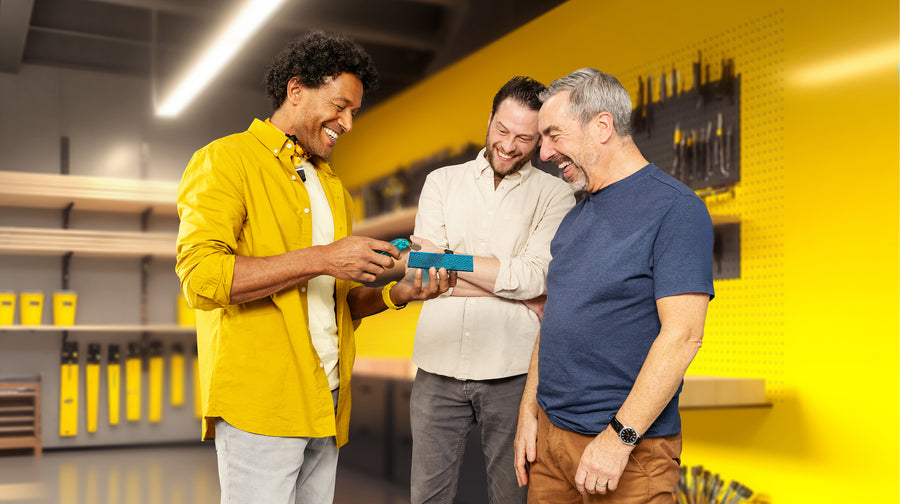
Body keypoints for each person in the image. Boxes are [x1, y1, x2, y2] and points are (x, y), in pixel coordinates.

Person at [175, 31, 452, 504]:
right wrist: (324, 257)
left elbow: (332, 304)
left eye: (354, 113)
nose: (347, 123)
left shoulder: (333, 189)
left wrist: (396, 293)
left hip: (327, 401)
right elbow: (202, 279)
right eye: (340, 106)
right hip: (263, 404)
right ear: (296, 89)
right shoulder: (226, 161)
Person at [513, 68, 715, 503]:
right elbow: (553, 320)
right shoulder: (573, 217)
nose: (544, 152)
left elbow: (683, 336)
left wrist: (619, 438)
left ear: (601, 126)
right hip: (550, 445)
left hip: (625, 451)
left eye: (553, 135)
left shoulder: (677, 209)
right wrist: (529, 412)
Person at [409, 76, 575, 504]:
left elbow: (535, 277)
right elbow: (425, 272)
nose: (509, 145)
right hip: (436, 367)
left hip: (513, 375)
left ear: (540, 139)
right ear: (489, 119)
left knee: (511, 498)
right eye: (502, 130)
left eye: (524, 137)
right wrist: (509, 288)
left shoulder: (556, 195)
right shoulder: (441, 182)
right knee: (428, 497)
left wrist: (451, 259)